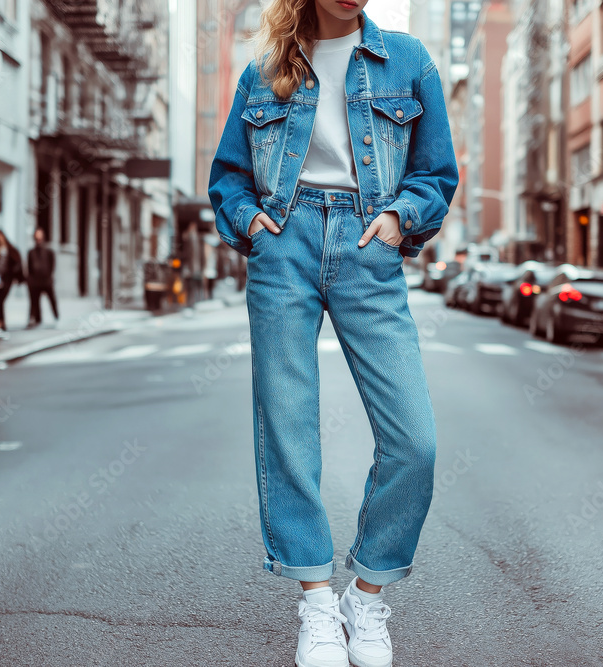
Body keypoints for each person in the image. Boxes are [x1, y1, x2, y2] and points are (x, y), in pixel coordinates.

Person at [208, 3, 458, 666]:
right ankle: (318, 601)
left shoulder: (409, 61)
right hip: (284, 244)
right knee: (287, 426)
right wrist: (253, 226)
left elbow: (436, 173)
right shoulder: (265, 68)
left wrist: (400, 219)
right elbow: (228, 176)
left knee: (416, 440)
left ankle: (367, 593)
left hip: (369, 239)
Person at [26, 228, 59, 327]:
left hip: (46, 280)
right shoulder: (31, 252)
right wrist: (30, 280)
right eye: (37, 238)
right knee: (34, 301)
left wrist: (49, 277)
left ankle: (56, 316)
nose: (38, 240)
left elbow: (52, 265)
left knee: (52, 299)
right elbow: (29, 267)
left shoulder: (49, 252)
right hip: (35, 281)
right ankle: (36, 319)